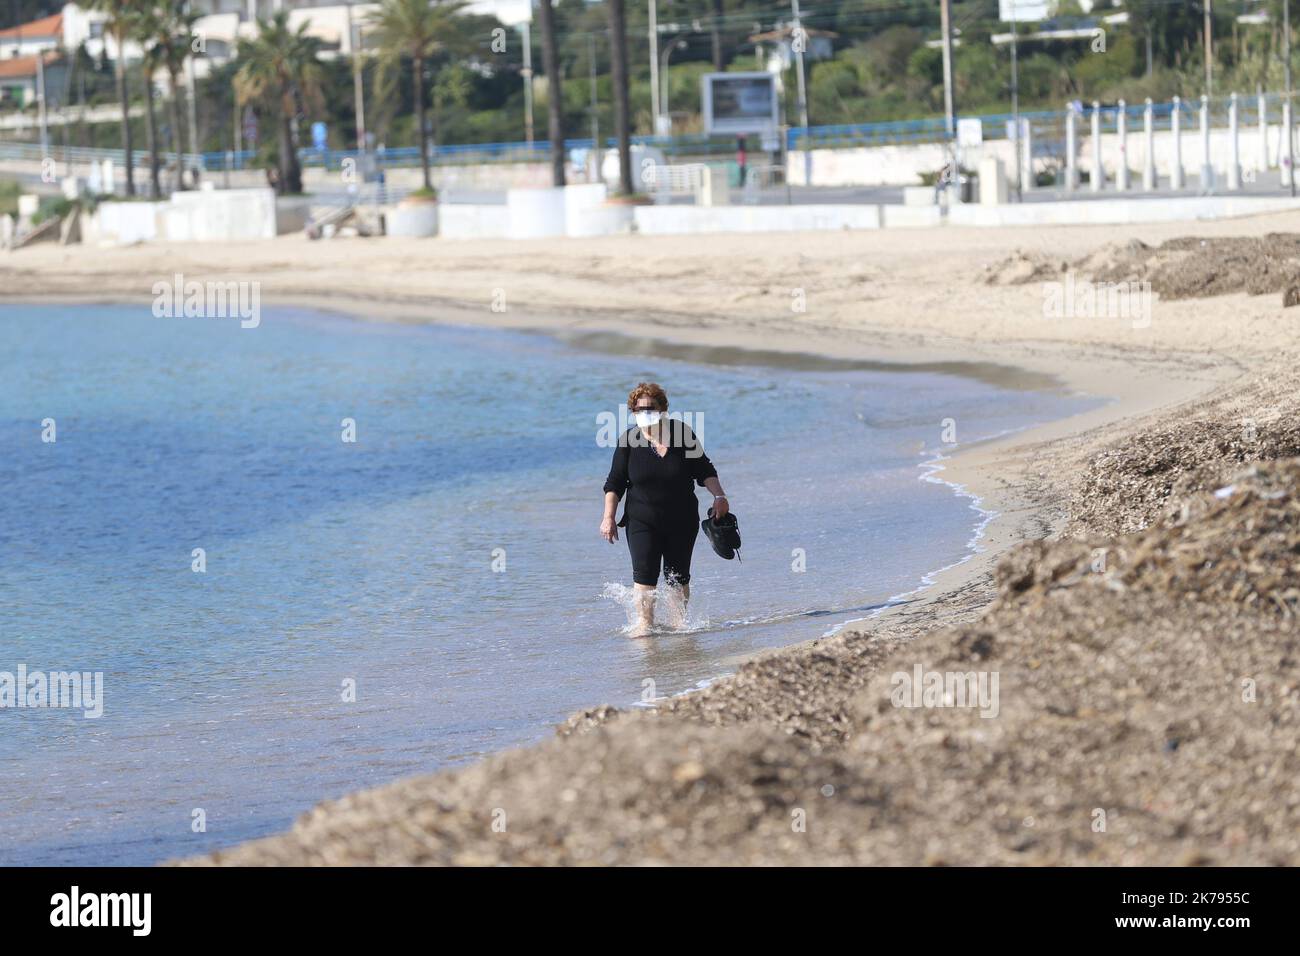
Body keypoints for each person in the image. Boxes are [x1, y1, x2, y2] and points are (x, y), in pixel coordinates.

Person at [600, 382, 729, 634]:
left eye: (650, 407)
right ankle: (645, 629)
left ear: (663, 409)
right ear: (633, 411)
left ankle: (680, 627)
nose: (644, 412)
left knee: (678, 578)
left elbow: (705, 471)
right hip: (641, 521)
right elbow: (614, 483)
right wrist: (608, 517)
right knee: (644, 577)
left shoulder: (683, 435)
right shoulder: (628, 441)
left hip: (681, 519)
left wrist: (720, 496)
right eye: (638, 408)